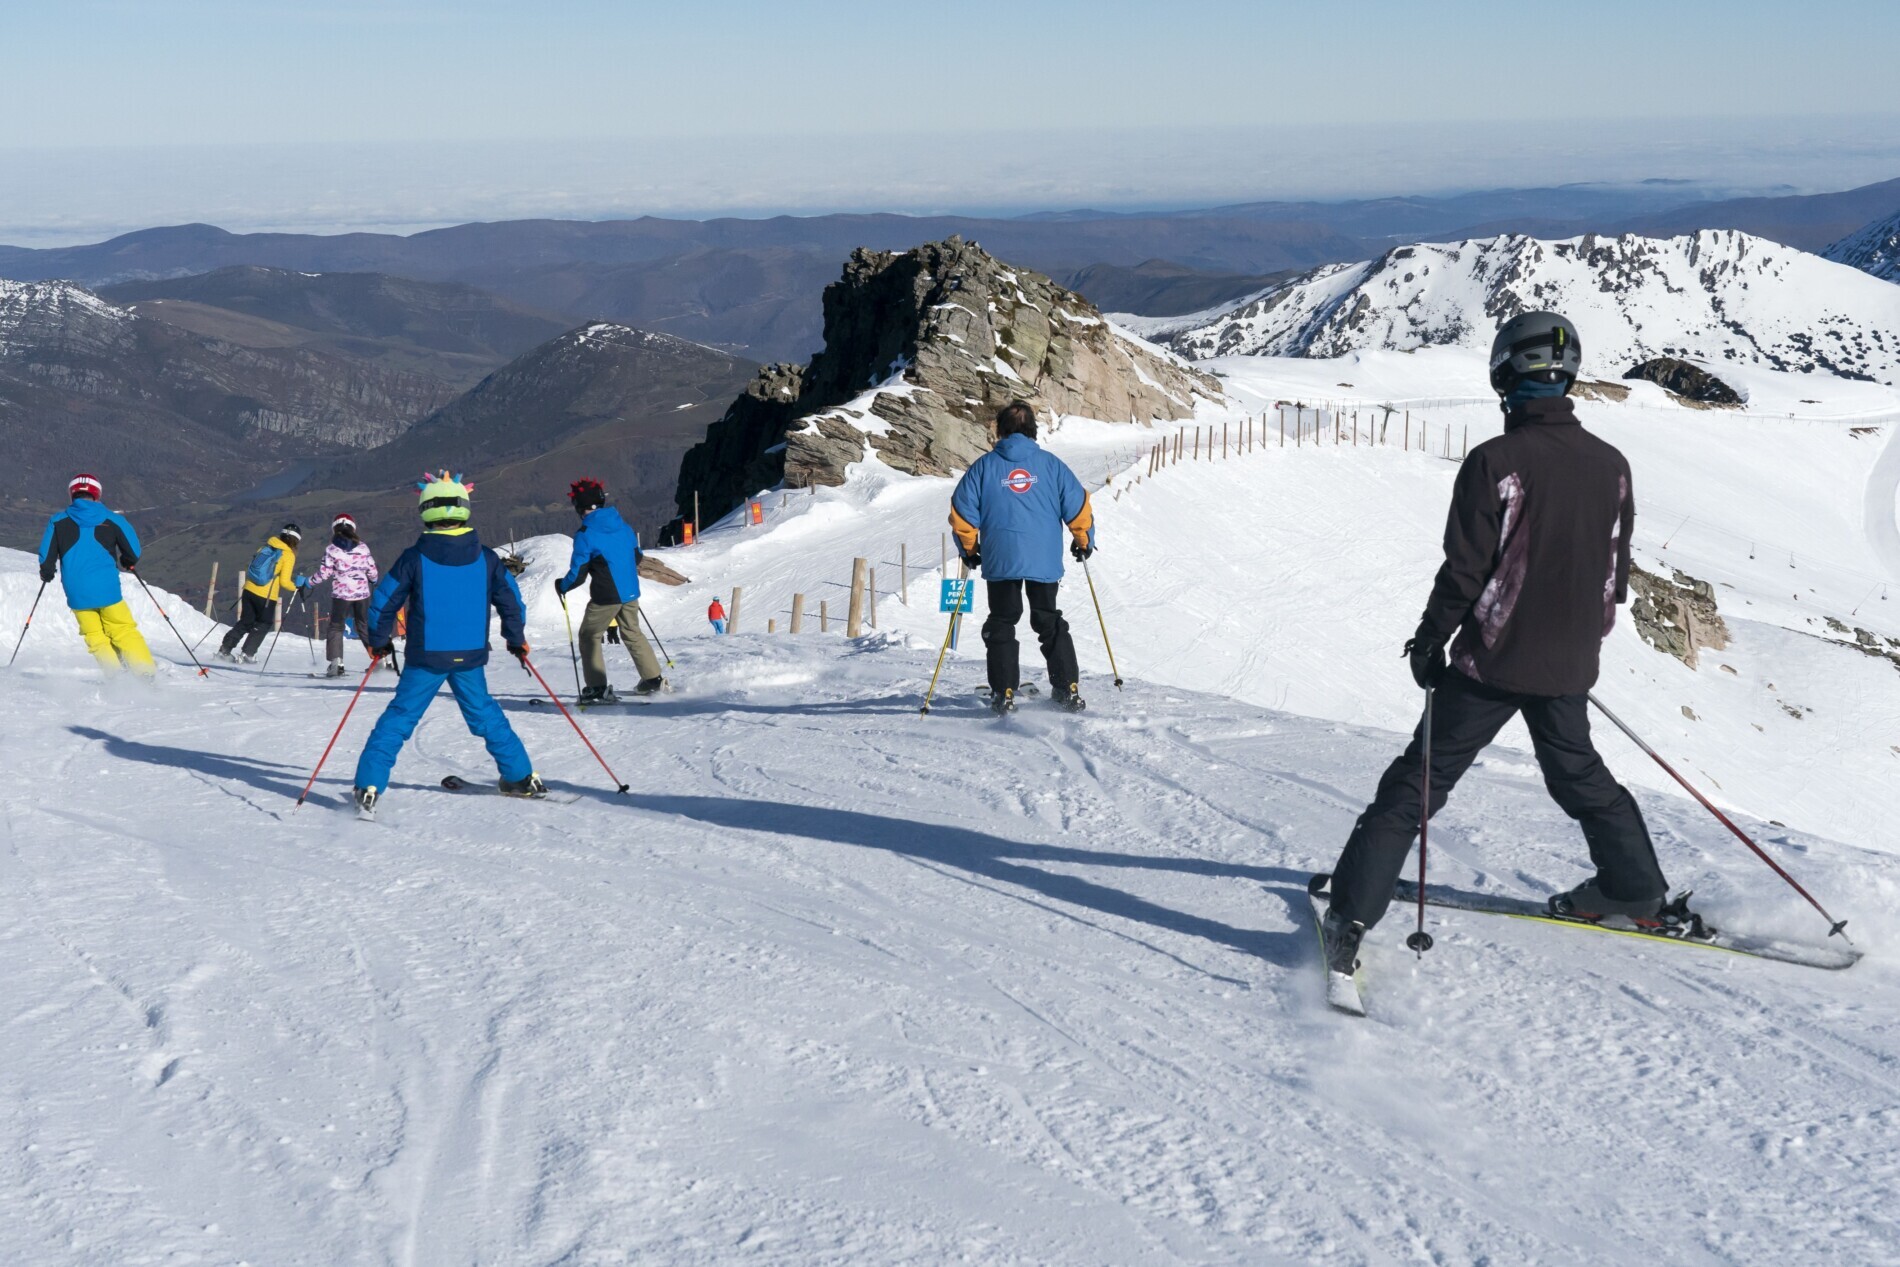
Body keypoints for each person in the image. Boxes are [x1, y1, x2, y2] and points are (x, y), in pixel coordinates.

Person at [1320, 311, 1668, 979]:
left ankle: (1351, 913)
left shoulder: (1496, 461)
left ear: (1506, 372)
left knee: (1417, 783)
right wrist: (1571, 649)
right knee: (1580, 777)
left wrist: (1430, 641)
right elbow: (1613, 579)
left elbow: (1464, 571)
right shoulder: (1611, 465)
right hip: (1568, 664)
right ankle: (1634, 888)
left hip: (1491, 662)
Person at [351, 472, 543, 817]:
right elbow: (511, 602)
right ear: (464, 508)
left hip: (426, 656)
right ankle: (519, 776)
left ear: (425, 510)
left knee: (400, 717)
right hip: (469, 656)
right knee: (485, 715)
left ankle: (369, 784)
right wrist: (516, 640)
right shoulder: (486, 558)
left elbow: (383, 602)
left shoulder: (413, 558)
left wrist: (379, 643)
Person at [949, 400, 1095, 713]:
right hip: (1043, 558)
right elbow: (1078, 505)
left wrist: (970, 550)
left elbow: (962, 513)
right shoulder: (1051, 465)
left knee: (1003, 620)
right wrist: (1083, 540)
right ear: (1032, 431)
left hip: (1001, 558)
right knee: (1047, 618)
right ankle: (1066, 686)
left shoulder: (985, 467)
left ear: (1000, 431)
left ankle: (1004, 692)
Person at [554, 478, 663, 704]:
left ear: (579, 506)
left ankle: (597, 689)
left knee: (589, 635)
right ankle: (654, 681)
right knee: (632, 633)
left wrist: (561, 586)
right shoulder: (623, 526)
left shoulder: (586, 534)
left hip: (606, 595)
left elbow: (578, 574)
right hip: (631, 592)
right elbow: (637, 557)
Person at [36, 473, 156, 676]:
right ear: (97, 494)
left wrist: (47, 572)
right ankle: (145, 675)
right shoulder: (113, 520)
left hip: (76, 591)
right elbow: (133, 552)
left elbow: (47, 554)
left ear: (72, 494)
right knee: (122, 630)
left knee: (95, 637)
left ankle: (116, 678)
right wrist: (127, 562)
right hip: (107, 588)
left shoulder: (57, 521)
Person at [218, 523, 305, 663]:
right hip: (266, 595)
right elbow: (284, 582)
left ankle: (224, 649)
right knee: (264, 623)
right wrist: (296, 587)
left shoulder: (265, 547)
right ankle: (248, 654)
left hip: (248, 590)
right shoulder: (288, 555)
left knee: (246, 621)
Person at [307, 514, 379, 677]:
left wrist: (309, 582)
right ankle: (379, 659)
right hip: (362, 594)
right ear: (353, 528)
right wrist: (373, 581)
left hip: (341, 595)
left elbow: (324, 573)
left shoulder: (332, 549)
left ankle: (336, 663)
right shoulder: (363, 547)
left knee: (336, 626)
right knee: (363, 625)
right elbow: (372, 571)